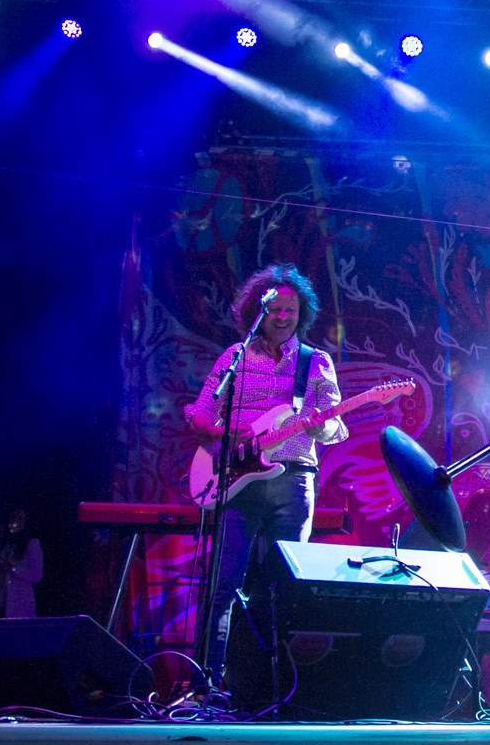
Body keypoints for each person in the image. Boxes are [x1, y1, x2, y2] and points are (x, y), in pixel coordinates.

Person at [185, 263, 346, 685]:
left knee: (283, 589)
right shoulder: (234, 358)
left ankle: (272, 689)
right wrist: (226, 435)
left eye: (291, 309)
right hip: (236, 482)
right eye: (275, 308)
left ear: (301, 313)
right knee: (222, 585)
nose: (283, 316)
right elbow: (200, 416)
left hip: (292, 481)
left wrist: (319, 426)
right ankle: (206, 686)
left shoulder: (315, 362)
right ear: (258, 311)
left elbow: (335, 427)